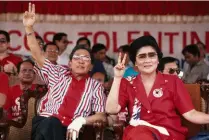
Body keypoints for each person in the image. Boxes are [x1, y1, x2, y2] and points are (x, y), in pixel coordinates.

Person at [23, 3, 106, 140]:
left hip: (71, 130)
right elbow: (37, 53)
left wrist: (81, 121)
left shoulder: (95, 86)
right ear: (69, 63)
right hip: (45, 122)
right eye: (77, 58)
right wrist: (29, 28)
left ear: (90, 66)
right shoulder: (57, 72)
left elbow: (101, 115)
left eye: (85, 58)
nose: (80, 61)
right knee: (51, 123)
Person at [106, 35, 209, 140]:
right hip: (138, 134)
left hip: (169, 135)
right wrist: (118, 78)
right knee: (139, 133)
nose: (147, 60)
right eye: (142, 56)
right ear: (135, 62)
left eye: (152, 55)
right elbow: (111, 109)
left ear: (158, 59)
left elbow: (191, 114)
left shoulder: (173, 81)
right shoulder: (127, 82)